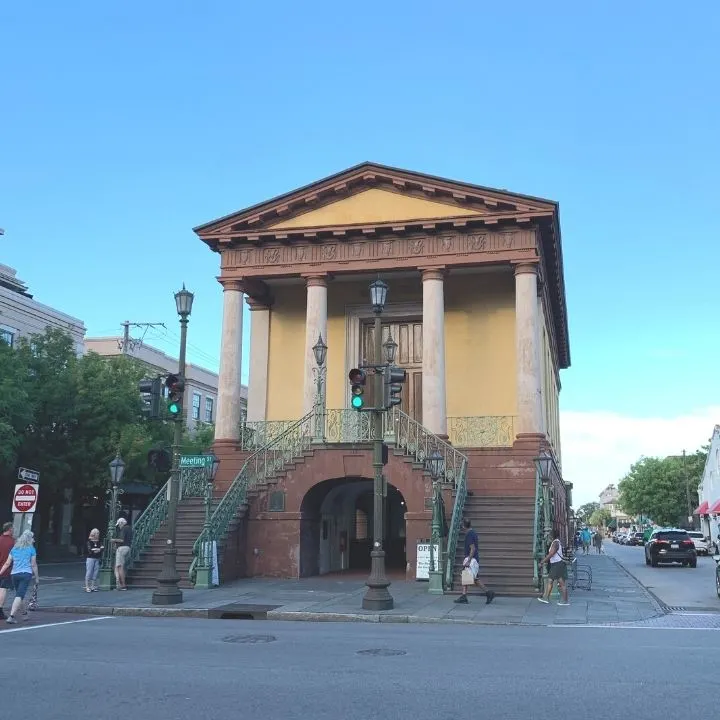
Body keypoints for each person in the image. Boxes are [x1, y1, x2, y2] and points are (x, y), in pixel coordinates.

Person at [0, 530, 40, 623]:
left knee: (19, 593)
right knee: (19, 595)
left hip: (14, 574)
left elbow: (7, 563)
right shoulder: (31, 549)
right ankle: (12, 616)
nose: (34, 540)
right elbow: (33, 564)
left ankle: (24, 613)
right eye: (33, 538)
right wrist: (37, 577)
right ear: (29, 539)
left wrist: (0, 573)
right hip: (26, 574)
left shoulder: (14, 548)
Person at [454, 519, 495, 605]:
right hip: (473, 559)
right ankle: (464, 596)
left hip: (471, 560)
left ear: (464, 526)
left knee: (473, 578)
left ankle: (488, 592)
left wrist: (468, 560)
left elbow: (472, 548)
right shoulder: (473, 533)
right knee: (468, 577)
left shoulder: (469, 535)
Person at [537, 535, 569, 606]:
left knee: (556, 582)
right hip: (557, 564)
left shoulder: (555, 543)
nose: (547, 540)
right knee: (555, 581)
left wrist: (542, 562)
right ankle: (547, 598)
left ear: (551, 537)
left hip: (557, 564)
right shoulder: (557, 542)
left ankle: (564, 600)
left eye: (547, 538)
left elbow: (551, 554)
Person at [111, 518, 132, 590]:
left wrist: (113, 540)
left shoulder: (124, 529)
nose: (119, 527)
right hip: (128, 548)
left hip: (122, 548)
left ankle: (122, 585)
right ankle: (121, 584)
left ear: (121, 523)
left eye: (119, 525)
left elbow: (122, 540)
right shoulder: (129, 528)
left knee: (119, 567)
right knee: (123, 566)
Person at [0, 522, 14, 620]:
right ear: (9, 529)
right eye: (12, 529)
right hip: (6, 569)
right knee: (3, 589)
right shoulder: (13, 542)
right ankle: (0, 610)